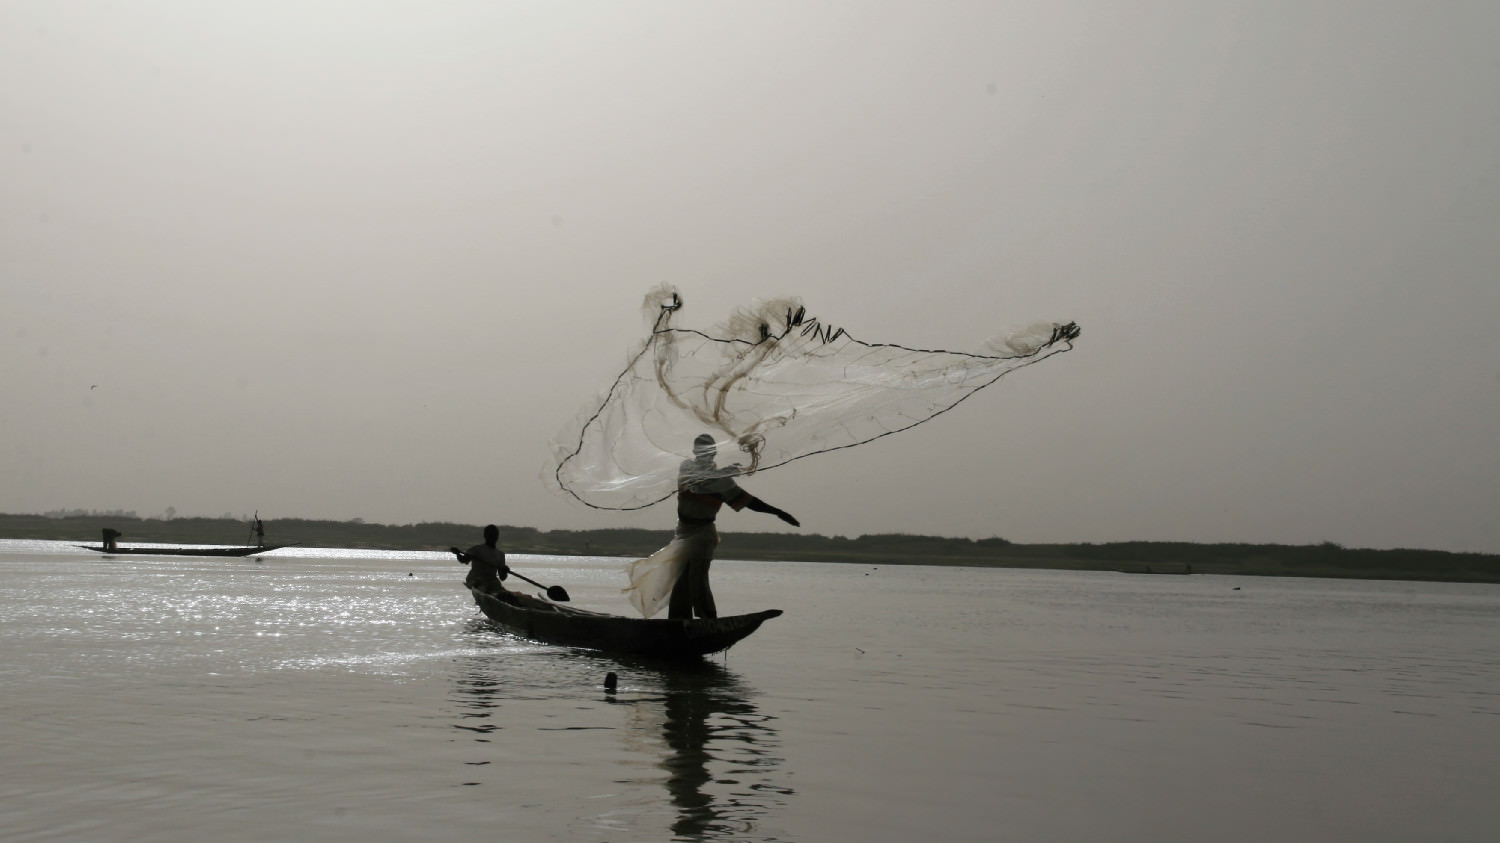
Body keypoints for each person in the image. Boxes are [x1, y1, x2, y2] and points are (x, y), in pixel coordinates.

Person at [630, 433, 800, 620]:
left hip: (703, 535)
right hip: (683, 534)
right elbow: (697, 483)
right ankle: (678, 622)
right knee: (680, 582)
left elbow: (750, 502)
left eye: (708, 451)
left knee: (698, 580)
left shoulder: (724, 481)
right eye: (701, 450)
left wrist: (778, 512)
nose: (705, 454)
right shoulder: (688, 467)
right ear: (695, 451)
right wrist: (721, 473)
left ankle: (708, 620)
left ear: (714, 453)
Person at [452, 524, 510, 597]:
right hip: (476, 579)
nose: (493, 537)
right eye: (490, 535)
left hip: (492, 581)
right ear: (485, 536)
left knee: (504, 595)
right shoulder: (477, 550)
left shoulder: (500, 554)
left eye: (494, 535)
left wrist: (505, 571)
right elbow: (463, 560)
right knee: (484, 588)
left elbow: (502, 578)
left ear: (497, 537)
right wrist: (457, 553)